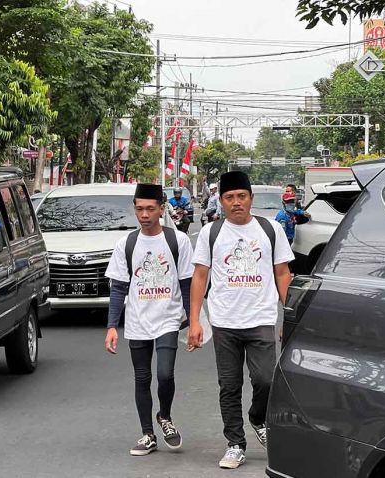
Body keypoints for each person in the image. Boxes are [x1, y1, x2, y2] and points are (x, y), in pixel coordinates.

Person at [188, 171, 294, 470]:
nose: (236, 203)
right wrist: (195, 320)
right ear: (221, 201)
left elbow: (283, 273)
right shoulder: (212, 233)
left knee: (265, 380)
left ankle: (258, 417)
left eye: (241, 197)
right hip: (224, 321)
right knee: (229, 385)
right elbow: (200, 275)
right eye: (229, 198)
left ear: (251, 199)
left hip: (261, 318)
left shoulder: (270, 229)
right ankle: (235, 443)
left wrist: (289, 315)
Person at [105, 183, 194, 457]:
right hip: (137, 321)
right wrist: (111, 326)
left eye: (150, 209)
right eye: (140, 209)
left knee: (165, 374)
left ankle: (164, 417)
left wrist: (193, 322)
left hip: (168, 318)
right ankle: (147, 434)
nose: (144, 215)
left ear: (161, 209)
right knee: (142, 378)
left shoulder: (177, 241)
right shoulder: (126, 244)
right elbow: (119, 287)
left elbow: (188, 283)